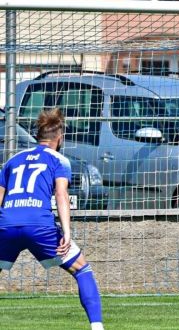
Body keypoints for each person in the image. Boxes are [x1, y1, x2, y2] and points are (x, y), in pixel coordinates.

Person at [0, 108, 105, 330]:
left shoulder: (13, 160)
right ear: (60, 138)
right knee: (82, 269)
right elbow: (61, 195)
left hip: (7, 223)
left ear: (38, 136)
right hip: (39, 224)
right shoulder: (60, 160)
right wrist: (66, 232)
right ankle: (97, 327)